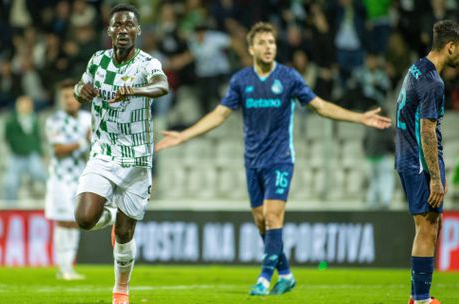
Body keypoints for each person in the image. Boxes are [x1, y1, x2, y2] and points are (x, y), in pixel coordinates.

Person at [155, 22, 391, 296]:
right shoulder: (241, 80)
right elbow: (219, 115)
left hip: (280, 159)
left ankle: (264, 279)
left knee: (272, 215)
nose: (269, 47)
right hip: (252, 161)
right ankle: (287, 274)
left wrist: (359, 117)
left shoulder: (288, 77)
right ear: (251, 48)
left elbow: (321, 106)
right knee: (260, 221)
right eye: (263, 43)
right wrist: (184, 135)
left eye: (272, 43)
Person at [72, 4, 169, 304]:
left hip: (137, 158)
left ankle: (121, 289)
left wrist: (134, 91)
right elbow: (80, 88)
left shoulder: (147, 64)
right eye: (118, 25)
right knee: (84, 218)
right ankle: (110, 213)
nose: (123, 30)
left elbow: (162, 85)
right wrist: (80, 91)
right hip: (103, 151)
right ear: (110, 31)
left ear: (138, 31)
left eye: (129, 25)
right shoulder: (98, 61)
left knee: (125, 235)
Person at [395, 20, 459, 304]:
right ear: (451, 46)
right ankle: (421, 299)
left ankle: (416, 296)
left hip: (406, 156)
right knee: (427, 227)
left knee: (428, 226)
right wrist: (435, 176)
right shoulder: (433, 81)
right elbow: (426, 129)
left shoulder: (416, 68)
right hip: (419, 161)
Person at [45, 80, 91, 280]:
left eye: (72, 95)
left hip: (81, 178)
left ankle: (67, 267)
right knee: (65, 222)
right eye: (65, 97)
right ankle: (64, 267)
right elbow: (58, 150)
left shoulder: (88, 119)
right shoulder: (55, 121)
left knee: (76, 221)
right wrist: (83, 141)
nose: (69, 100)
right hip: (61, 179)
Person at [1, 96, 47, 201]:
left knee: (41, 174)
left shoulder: (34, 120)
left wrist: (41, 153)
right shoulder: (11, 121)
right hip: (16, 156)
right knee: (10, 182)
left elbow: (37, 138)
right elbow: (6, 137)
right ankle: (10, 208)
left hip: (31, 155)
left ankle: (53, 199)